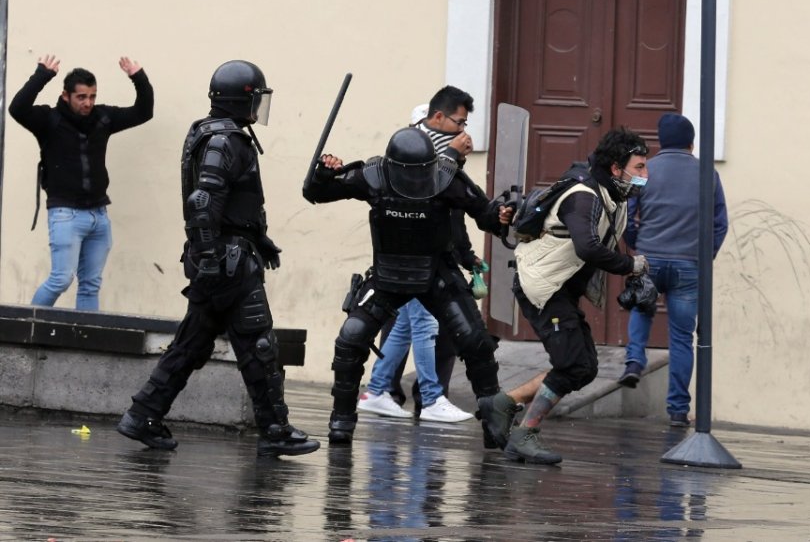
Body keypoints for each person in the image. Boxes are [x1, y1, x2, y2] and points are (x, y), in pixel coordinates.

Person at [117, 60, 320, 458]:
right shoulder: (225, 141)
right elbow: (203, 203)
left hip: (227, 257)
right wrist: (212, 259)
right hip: (228, 264)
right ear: (239, 99)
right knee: (259, 345)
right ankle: (275, 428)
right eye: (255, 98)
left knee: (191, 345)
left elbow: (230, 206)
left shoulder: (215, 134)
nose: (259, 107)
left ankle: (142, 415)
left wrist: (261, 241)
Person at [303, 127, 512, 445]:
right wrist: (323, 172)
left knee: (476, 342)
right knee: (350, 339)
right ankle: (341, 422)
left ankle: (495, 427)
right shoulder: (371, 176)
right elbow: (316, 193)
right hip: (388, 275)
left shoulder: (447, 178)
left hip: (436, 275)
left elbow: (485, 215)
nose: (414, 182)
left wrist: (503, 214)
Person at [477, 128, 650, 465]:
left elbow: (610, 240)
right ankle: (524, 434)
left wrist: (633, 269)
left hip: (562, 287)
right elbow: (588, 246)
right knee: (572, 365)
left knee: (583, 368)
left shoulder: (615, 196)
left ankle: (502, 403)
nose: (646, 174)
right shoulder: (584, 195)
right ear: (617, 168)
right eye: (640, 167)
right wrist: (629, 265)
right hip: (542, 285)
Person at [9, 54, 154, 310]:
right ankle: (25, 326)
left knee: (90, 285)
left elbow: (144, 112)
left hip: (99, 215)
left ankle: (86, 342)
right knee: (61, 279)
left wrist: (138, 77)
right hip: (65, 214)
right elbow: (17, 108)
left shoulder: (103, 118)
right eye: (81, 97)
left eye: (92, 96)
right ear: (66, 96)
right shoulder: (49, 120)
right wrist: (42, 75)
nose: (88, 103)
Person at [617, 113, 728, 427]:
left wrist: (639, 245)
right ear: (692, 143)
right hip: (688, 264)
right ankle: (678, 410)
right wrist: (705, 256)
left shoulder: (646, 171)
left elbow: (627, 214)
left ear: (659, 142)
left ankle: (635, 359)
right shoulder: (708, 173)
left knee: (641, 308)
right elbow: (720, 224)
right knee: (681, 338)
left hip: (650, 258)